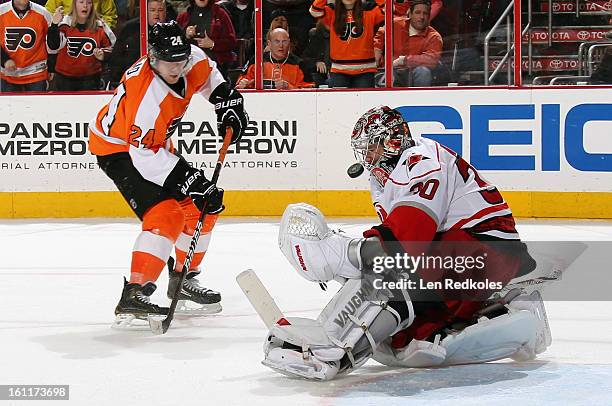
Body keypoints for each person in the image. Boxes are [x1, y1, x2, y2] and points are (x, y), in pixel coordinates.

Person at [262, 105, 551, 380]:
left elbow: (407, 241)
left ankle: (333, 353)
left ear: (391, 141)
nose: (367, 155)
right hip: (465, 254)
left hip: (485, 249)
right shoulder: (386, 176)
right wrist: (348, 263)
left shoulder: (423, 160)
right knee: (406, 338)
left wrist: (342, 252)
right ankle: (506, 315)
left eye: (371, 146)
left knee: (392, 278)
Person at [88, 21, 249, 325]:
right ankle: (135, 292)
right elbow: (143, 156)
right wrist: (189, 178)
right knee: (167, 216)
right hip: (118, 149)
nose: (176, 68)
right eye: (168, 62)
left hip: (153, 144)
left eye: (180, 60)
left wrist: (226, 102)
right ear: (152, 58)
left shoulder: (190, 59)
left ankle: (182, 279)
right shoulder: (146, 94)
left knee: (205, 204)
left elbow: (208, 75)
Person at [309, 0, 384, 88]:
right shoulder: (331, 11)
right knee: (339, 102)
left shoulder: (369, 10)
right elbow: (314, 11)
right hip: (339, 71)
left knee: (364, 101)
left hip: (365, 70)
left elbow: (390, 9)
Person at [47, 0, 116, 91]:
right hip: (64, 79)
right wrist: (54, 25)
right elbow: (52, 46)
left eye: (89, 2)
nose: (85, 6)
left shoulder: (100, 25)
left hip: (91, 79)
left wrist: (104, 55)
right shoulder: (64, 24)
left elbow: (113, 49)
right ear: (74, 4)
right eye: (81, 2)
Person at [374, 0, 442, 87]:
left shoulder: (434, 37)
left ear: (429, 16)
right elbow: (381, 33)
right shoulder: (395, 24)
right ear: (410, 14)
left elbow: (432, 61)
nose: (421, 17)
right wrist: (377, 49)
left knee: (423, 71)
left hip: (412, 71)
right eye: (417, 12)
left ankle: (421, 99)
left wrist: (405, 60)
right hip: (392, 70)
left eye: (425, 13)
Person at [106, 0, 167, 88]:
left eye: (160, 10)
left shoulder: (172, 30)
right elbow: (116, 58)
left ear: (165, 13)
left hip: (161, 83)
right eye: (152, 10)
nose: (156, 14)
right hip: (132, 81)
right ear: (145, 11)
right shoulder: (129, 29)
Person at [235, 28, 313, 90]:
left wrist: (288, 87)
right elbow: (240, 82)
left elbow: (310, 89)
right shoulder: (256, 61)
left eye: (284, 42)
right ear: (269, 44)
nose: (281, 46)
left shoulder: (299, 64)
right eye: (277, 41)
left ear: (289, 43)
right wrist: (244, 83)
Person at [0, 0, 52, 92]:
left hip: (36, 73)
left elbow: (53, 45)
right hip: (8, 74)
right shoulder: (1, 11)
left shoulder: (43, 13)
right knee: (9, 106)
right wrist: (5, 60)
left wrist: (52, 67)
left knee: (38, 106)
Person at [178, 0, 237, 79]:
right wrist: (186, 35)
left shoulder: (220, 14)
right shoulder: (183, 17)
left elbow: (232, 42)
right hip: (188, 70)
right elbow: (175, 44)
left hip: (216, 69)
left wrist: (213, 44)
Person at [45, 0, 117, 29]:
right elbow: (48, 13)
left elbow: (110, 15)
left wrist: (101, 31)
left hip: (94, 31)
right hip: (65, 33)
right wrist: (57, 29)